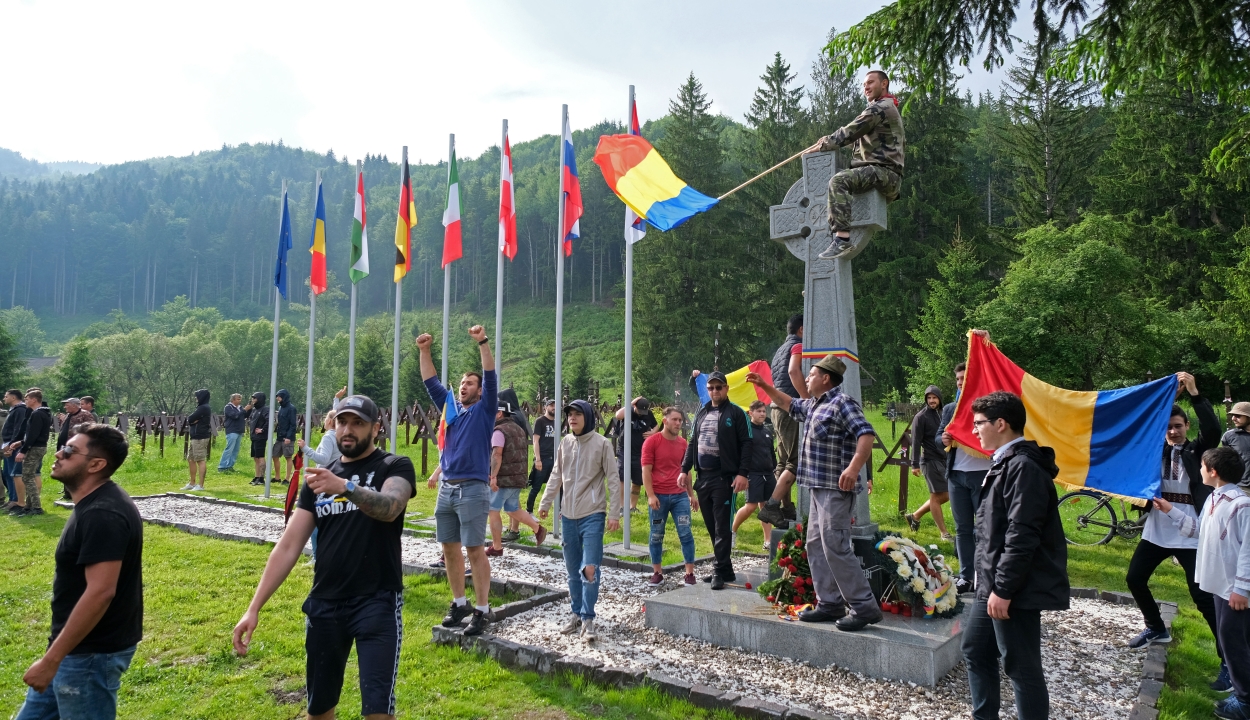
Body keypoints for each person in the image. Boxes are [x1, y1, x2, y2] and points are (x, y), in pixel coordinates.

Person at [233, 394, 416, 720]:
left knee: (378, 711)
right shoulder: (318, 481)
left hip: (377, 601)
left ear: (375, 428)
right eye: (342, 422)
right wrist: (253, 608)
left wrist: (345, 487)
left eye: (357, 423)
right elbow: (289, 545)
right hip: (325, 604)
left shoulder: (394, 465)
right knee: (319, 710)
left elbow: (390, 508)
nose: (347, 430)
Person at [16, 424, 142, 720]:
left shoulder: (103, 514)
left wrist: (52, 659)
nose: (59, 453)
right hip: (73, 648)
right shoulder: (92, 504)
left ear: (97, 464)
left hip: (90, 655)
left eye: (70, 451)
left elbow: (100, 592)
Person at [747, 355, 881, 630]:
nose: (806, 378)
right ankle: (829, 604)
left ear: (826, 379)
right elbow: (787, 403)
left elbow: (865, 434)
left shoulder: (842, 403)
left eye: (812, 374)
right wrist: (765, 385)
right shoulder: (813, 405)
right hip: (817, 488)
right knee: (815, 546)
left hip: (836, 489)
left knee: (836, 546)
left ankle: (864, 607)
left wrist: (855, 468)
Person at [962, 391, 1068, 720]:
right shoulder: (1005, 462)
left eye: (979, 423)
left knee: (1020, 667)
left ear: (1002, 424)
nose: (975, 430)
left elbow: (1022, 534)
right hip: (992, 583)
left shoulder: (1024, 467)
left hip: (1015, 588)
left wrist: (1004, 589)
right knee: (976, 649)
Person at [1124, 373, 1227, 681]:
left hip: (1192, 533)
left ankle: (1228, 662)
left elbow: (1213, 429)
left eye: (1178, 426)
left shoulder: (1199, 452)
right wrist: (1167, 398)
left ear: (1187, 427)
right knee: (1135, 579)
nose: (1173, 431)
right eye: (1168, 427)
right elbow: (1142, 430)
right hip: (1157, 530)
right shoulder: (1155, 449)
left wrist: (1194, 394)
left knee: (1204, 599)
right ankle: (1156, 627)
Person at [1154, 447, 1250, 719]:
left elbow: (1248, 551)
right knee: (1229, 637)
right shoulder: (1213, 499)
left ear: (1213, 472)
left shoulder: (1241, 505)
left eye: (1202, 466)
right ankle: (1242, 691)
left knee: (1234, 641)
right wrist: (1170, 510)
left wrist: (1242, 589)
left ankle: (1245, 702)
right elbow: (1198, 531)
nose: (1198, 470)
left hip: (1235, 590)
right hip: (1221, 585)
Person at [417, 325, 497, 637]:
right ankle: (459, 602)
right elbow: (430, 383)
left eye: (470, 384)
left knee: (475, 549)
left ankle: (481, 609)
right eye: (462, 383)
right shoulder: (451, 409)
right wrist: (424, 351)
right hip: (448, 488)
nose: (464, 387)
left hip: (473, 489)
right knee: (450, 548)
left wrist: (483, 343)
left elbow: (490, 375)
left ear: (479, 391)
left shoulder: (485, 410)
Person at [539, 399, 621, 642]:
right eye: (569, 415)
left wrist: (614, 513)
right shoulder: (565, 442)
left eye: (577, 414)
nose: (572, 418)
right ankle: (575, 614)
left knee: (590, 568)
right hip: (568, 515)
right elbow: (556, 474)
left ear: (587, 416)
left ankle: (588, 619)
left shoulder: (602, 443)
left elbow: (613, 480)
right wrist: (545, 502)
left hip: (593, 514)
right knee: (572, 570)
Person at [809, 70, 905, 260]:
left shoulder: (881, 108)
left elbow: (850, 131)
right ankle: (839, 233)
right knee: (844, 179)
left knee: (838, 182)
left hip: (885, 173)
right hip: (882, 173)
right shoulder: (883, 107)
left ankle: (842, 239)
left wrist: (826, 143)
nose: (866, 87)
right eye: (863, 84)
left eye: (870, 82)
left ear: (884, 83)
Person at [680, 370, 754, 590]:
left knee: (722, 526)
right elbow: (693, 442)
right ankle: (726, 568)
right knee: (712, 526)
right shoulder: (701, 413)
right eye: (711, 388)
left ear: (726, 388)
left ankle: (717, 570)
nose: (714, 391)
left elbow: (748, 444)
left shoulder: (737, 413)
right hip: (703, 477)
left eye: (718, 387)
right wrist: (684, 470)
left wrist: (743, 473)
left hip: (725, 478)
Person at [938, 361, 992, 594]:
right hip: (956, 476)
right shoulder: (951, 409)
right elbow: (938, 435)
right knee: (962, 528)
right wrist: (943, 439)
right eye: (958, 379)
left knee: (984, 528)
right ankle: (966, 576)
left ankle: (986, 575)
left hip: (982, 474)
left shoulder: (988, 406)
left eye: (964, 379)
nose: (960, 383)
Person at [758, 313, 807, 529]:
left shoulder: (780, 349)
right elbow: (793, 371)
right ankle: (772, 505)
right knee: (795, 461)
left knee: (783, 461)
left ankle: (786, 509)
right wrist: (807, 399)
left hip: (776, 407)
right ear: (801, 330)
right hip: (790, 407)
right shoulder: (798, 346)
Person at [642, 406, 698, 586]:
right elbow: (646, 471)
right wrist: (650, 495)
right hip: (658, 495)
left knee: (686, 533)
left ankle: (689, 574)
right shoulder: (652, 442)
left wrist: (691, 494)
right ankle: (657, 572)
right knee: (656, 535)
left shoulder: (683, 444)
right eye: (675, 420)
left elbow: (686, 471)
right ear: (665, 421)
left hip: (679, 496)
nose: (678, 423)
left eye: (680, 420)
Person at [487, 401, 546, 556]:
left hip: (503, 478)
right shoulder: (518, 429)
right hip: (517, 477)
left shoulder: (498, 431)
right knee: (513, 509)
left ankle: (497, 547)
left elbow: (497, 454)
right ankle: (537, 528)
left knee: (492, 510)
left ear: (499, 413)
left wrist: (493, 477)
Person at [905, 386, 951, 539]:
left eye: (934, 398)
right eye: (929, 398)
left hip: (944, 459)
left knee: (946, 494)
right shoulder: (921, 417)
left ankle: (915, 516)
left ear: (939, 398)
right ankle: (944, 533)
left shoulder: (943, 413)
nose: (932, 401)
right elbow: (916, 441)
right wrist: (914, 464)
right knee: (938, 496)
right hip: (929, 461)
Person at [732, 401, 778, 551]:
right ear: (750, 413)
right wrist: (741, 474)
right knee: (751, 506)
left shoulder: (767, 432)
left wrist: (775, 470)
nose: (762, 414)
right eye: (759, 411)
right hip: (752, 474)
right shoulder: (746, 432)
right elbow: (739, 454)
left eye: (764, 411)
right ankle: (732, 532)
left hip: (768, 474)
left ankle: (767, 541)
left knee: (767, 507)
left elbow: (771, 453)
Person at [512, 399, 557, 541]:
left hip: (554, 458)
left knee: (558, 486)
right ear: (545, 407)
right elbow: (536, 440)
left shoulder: (558, 422)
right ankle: (530, 511)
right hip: (542, 458)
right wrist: (537, 459)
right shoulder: (540, 421)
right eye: (551, 405)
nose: (554, 408)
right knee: (536, 487)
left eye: (556, 406)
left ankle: (561, 510)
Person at [612, 396, 659, 514]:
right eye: (639, 410)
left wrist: (653, 432)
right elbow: (618, 415)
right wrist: (631, 402)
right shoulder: (628, 412)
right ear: (634, 407)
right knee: (622, 479)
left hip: (640, 452)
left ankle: (632, 507)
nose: (642, 413)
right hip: (624, 451)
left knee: (637, 481)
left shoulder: (648, 414)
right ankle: (622, 507)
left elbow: (656, 425)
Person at [12, 389, 53, 516]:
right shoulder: (44, 413)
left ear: (34, 400)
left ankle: (36, 507)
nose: (25, 401)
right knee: (29, 475)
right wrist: (21, 443)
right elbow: (35, 434)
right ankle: (29, 507)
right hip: (39, 446)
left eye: (27, 399)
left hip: (35, 448)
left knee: (27, 477)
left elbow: (33, 434)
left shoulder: (37, 414)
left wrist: (23, 450)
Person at [2, 388, 29, 510]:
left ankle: (17, 500)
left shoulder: (20, 410)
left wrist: (12, 445)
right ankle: (12, 498)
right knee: (7, 472)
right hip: (8, 444)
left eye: (6, 396)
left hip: (13, 446)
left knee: (14, 473)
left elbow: (18, 429)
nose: (4, 398)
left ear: (13, 397)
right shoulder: (13, 410)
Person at [182, 389, 211, 491]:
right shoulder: (200, 407)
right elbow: (191, 420)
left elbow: (190, 418)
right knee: (191, 459)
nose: (195, 398)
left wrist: (192, 421)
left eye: (197, 396)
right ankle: (192, 483)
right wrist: (192, 421)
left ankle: (201, 485)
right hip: (194, 436)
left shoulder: (204, 408)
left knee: (200, 460)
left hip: (200, 436)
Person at [217, 393, 249, 473]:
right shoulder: (228, 407)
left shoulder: (240, 408)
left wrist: (249, 409)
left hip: (239, 430)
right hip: (232, 430)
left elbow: (245, 416)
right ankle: (222, 466)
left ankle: (230, 465)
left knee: (235, 450)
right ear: (233, 400)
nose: (240, 400)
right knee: (229, 449)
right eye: (238, 399)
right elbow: (235, 416)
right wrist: (244, 410)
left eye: (240, 399)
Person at [1222, 401, 1250, 490]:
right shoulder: (1229, 436)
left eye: (1238, 416)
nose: (1233, 418)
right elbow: (1225, 462)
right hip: (1241, 487)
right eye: (1233, 415)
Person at [272, 389, 297, 485]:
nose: (277, 398)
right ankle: (277, 477)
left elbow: (292, 424)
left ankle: (287, 479)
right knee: (274, 455)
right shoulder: (281, 408)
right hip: (279, 436)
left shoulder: (291, 408)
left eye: (279, 396)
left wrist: (289, 437)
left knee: (288, 457)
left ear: (284, 396)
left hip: (288, 437)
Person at [247, 392, 268, 486]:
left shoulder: (265, 409)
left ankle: (262, 478)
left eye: (254, 398)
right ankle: (257, 476)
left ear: (259, 399)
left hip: (261, 437)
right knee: (255, 457)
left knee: (260, 457)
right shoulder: (254, 409)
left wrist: (262, 430)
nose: (253, 400)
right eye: (252, 398)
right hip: (254, 437)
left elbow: (269, 421)